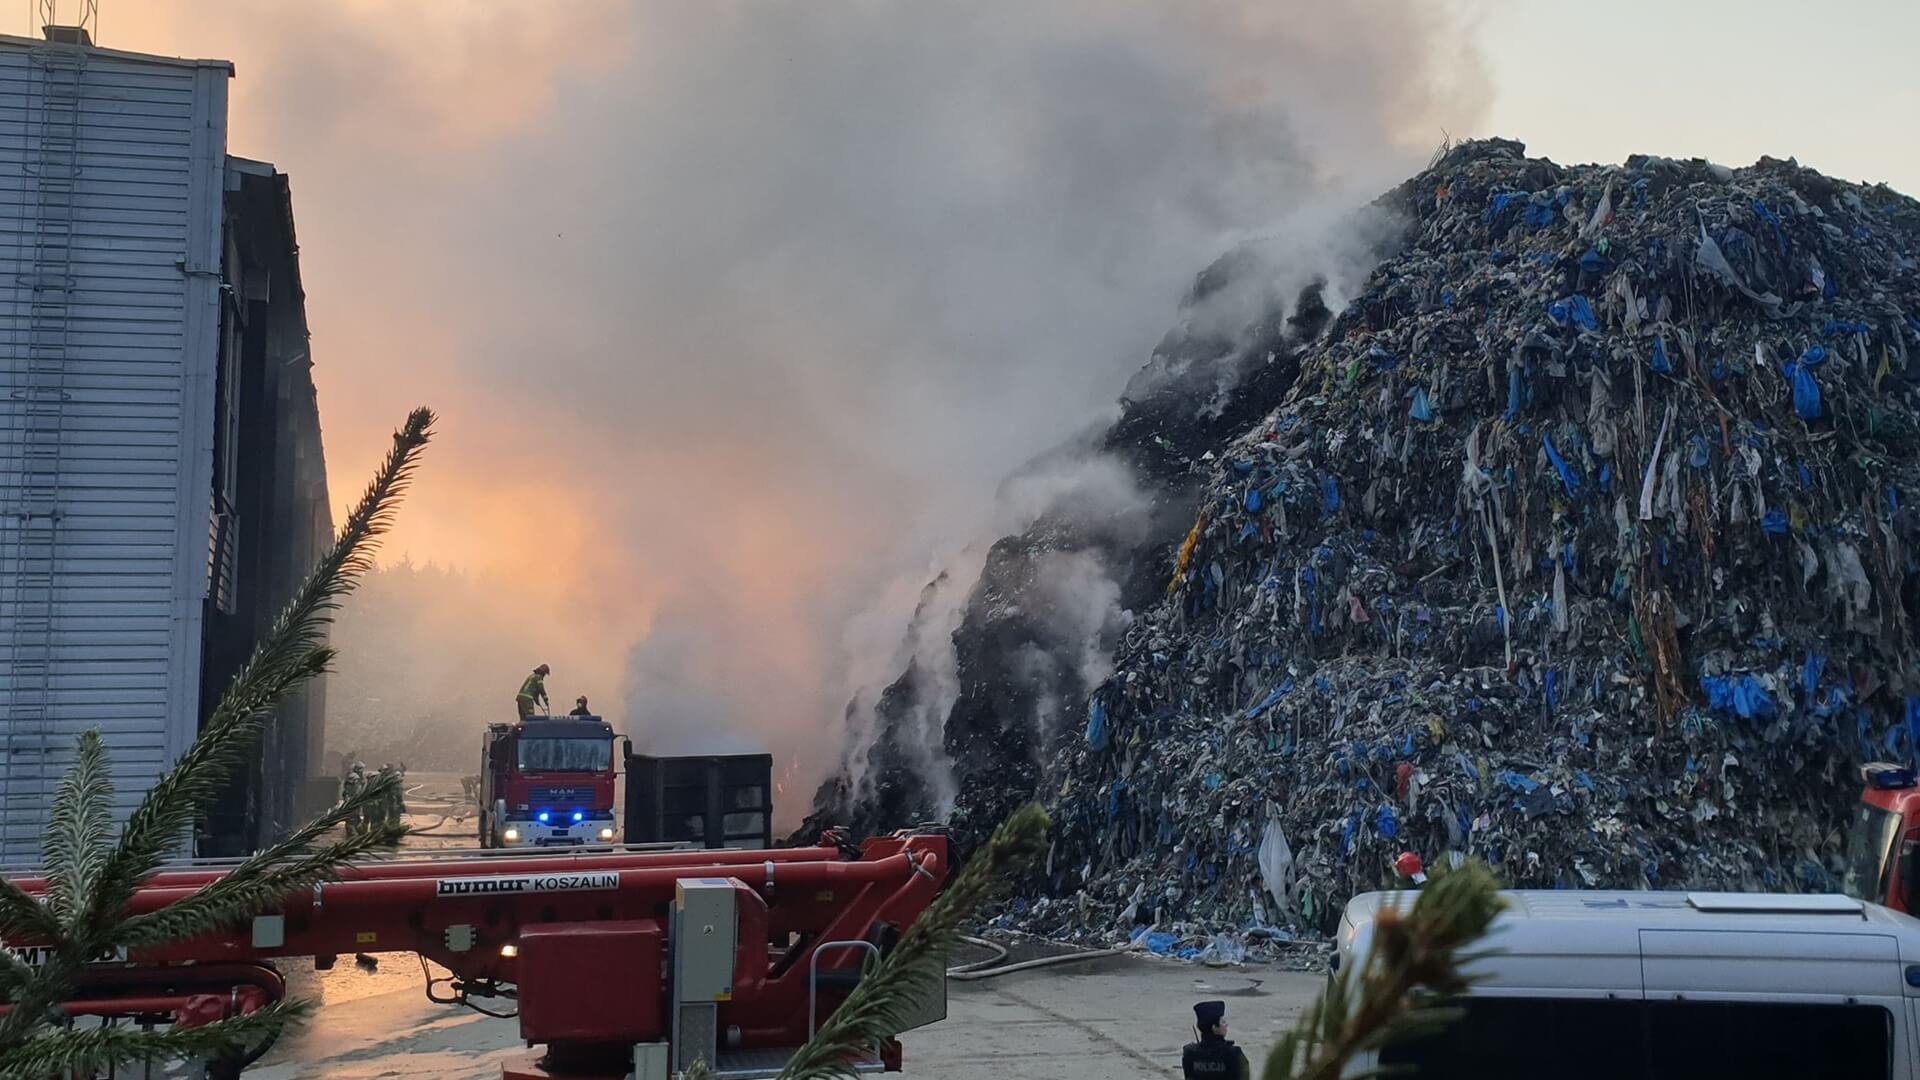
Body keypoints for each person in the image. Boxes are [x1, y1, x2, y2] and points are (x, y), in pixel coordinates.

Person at [1182, 1000, 1250, 1080]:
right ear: (1214, 1027)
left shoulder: (1189, 1053)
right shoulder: (1234, 1054)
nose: (1226, 1025)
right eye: (1223, 1022)